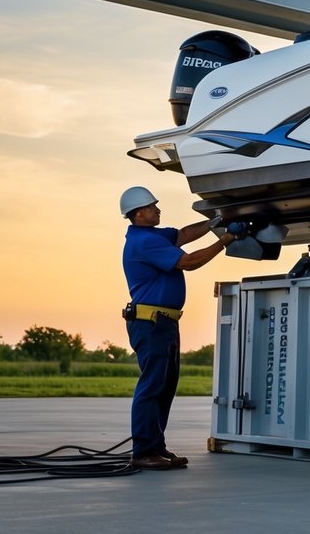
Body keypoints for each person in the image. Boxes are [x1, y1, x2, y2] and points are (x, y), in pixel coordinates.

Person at [119, 186, 243, 470]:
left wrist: (214, 222)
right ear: (139, 214)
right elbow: (189, 261)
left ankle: (155, 447)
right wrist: (225, 239)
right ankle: (143, 450)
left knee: (164, 386)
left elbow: (184, 235)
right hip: (151, 323)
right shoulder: (145, 242)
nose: (158, 210)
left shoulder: (153, 235)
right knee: (152, 386)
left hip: (163, 322)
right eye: (152, 207)